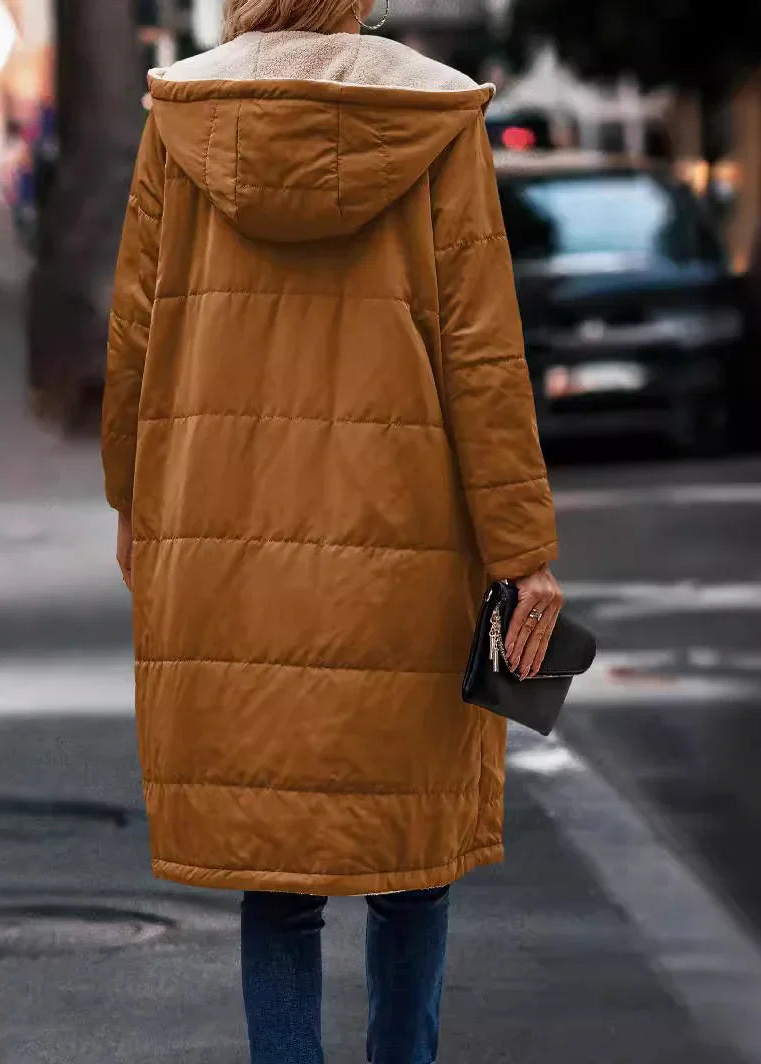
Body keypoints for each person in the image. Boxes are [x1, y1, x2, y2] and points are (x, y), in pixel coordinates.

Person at [101, 2, 563, 1061]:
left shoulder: (180, 117)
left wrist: (132, 501)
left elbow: (131, 336)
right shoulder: (436, 120)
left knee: (277, 869)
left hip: (229, 544)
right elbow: (483, 358)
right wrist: (520, 548)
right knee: (411, 859)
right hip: (405, 551)